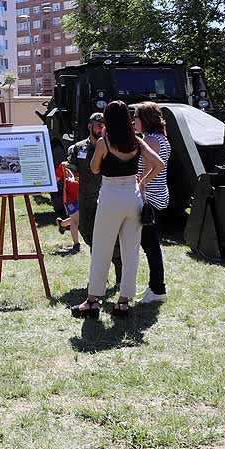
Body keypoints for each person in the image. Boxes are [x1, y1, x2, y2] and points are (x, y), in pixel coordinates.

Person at [71, 101, 164, 319]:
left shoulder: (104, 142)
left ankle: (92, 301)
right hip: (133, 196)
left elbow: (94, 168)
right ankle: (123, 302)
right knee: (131, 252)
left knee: (101, 249)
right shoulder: (137, 142)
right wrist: (142, 183)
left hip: (111, 195)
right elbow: (158, 164)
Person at [134, 102, 172, 304]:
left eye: (136, 117)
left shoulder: (150, 139)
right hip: (160, 196)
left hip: (150, 199)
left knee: (151, 246)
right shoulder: (162, 138)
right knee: (152, 245)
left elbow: (152, 168)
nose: (134, 122)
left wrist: (140, 184)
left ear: (145, 119)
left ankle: (158, 289)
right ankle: (154, 287)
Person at [65, 113, 107, 260]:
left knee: (108, 238)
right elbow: (70, 166)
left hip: (106, 198)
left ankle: (114, 273)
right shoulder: (78, 148)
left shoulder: (110, 147)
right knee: (88, 234)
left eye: (104, 125)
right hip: (85, 200)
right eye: (99, 125)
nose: (102, 129)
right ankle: (99, 272)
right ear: (90, 126)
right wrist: (70, 174)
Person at [56, 162, 81, 253]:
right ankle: (76, 244)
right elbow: (56, 179)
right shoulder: (63, 166)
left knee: (79, 219)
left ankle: (62, 224)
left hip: (82, 197)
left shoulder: (87, 162)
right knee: (75, 221)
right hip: (70, 199)